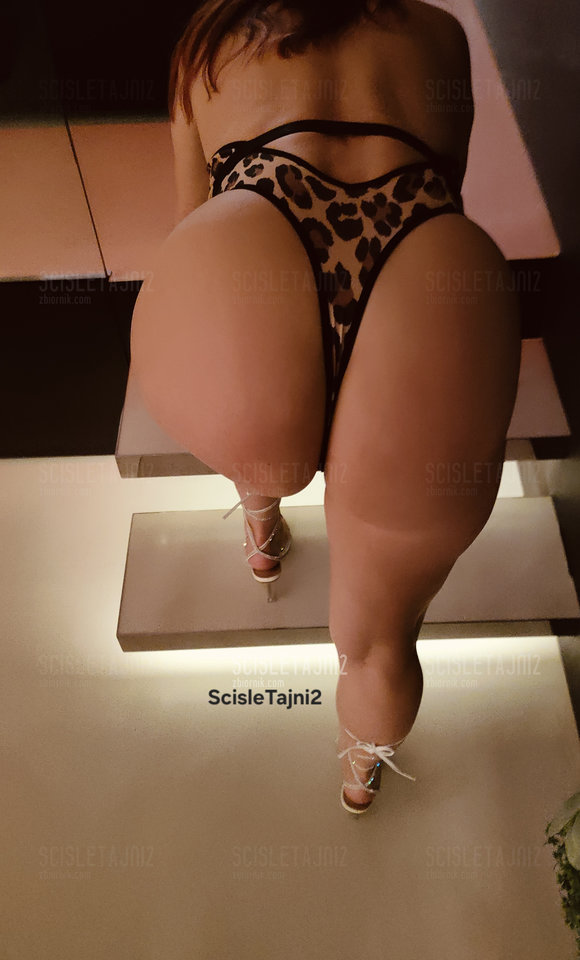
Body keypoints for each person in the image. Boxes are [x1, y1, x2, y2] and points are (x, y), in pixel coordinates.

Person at [129, 0, 521, 814]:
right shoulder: (440, 34)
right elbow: (449, 183)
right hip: (425, 258)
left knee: (255, 406)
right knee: (381, 643)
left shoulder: (210, 36)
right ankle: (360, 777)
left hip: (250, 235)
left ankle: (261, 527)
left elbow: (189, 216)